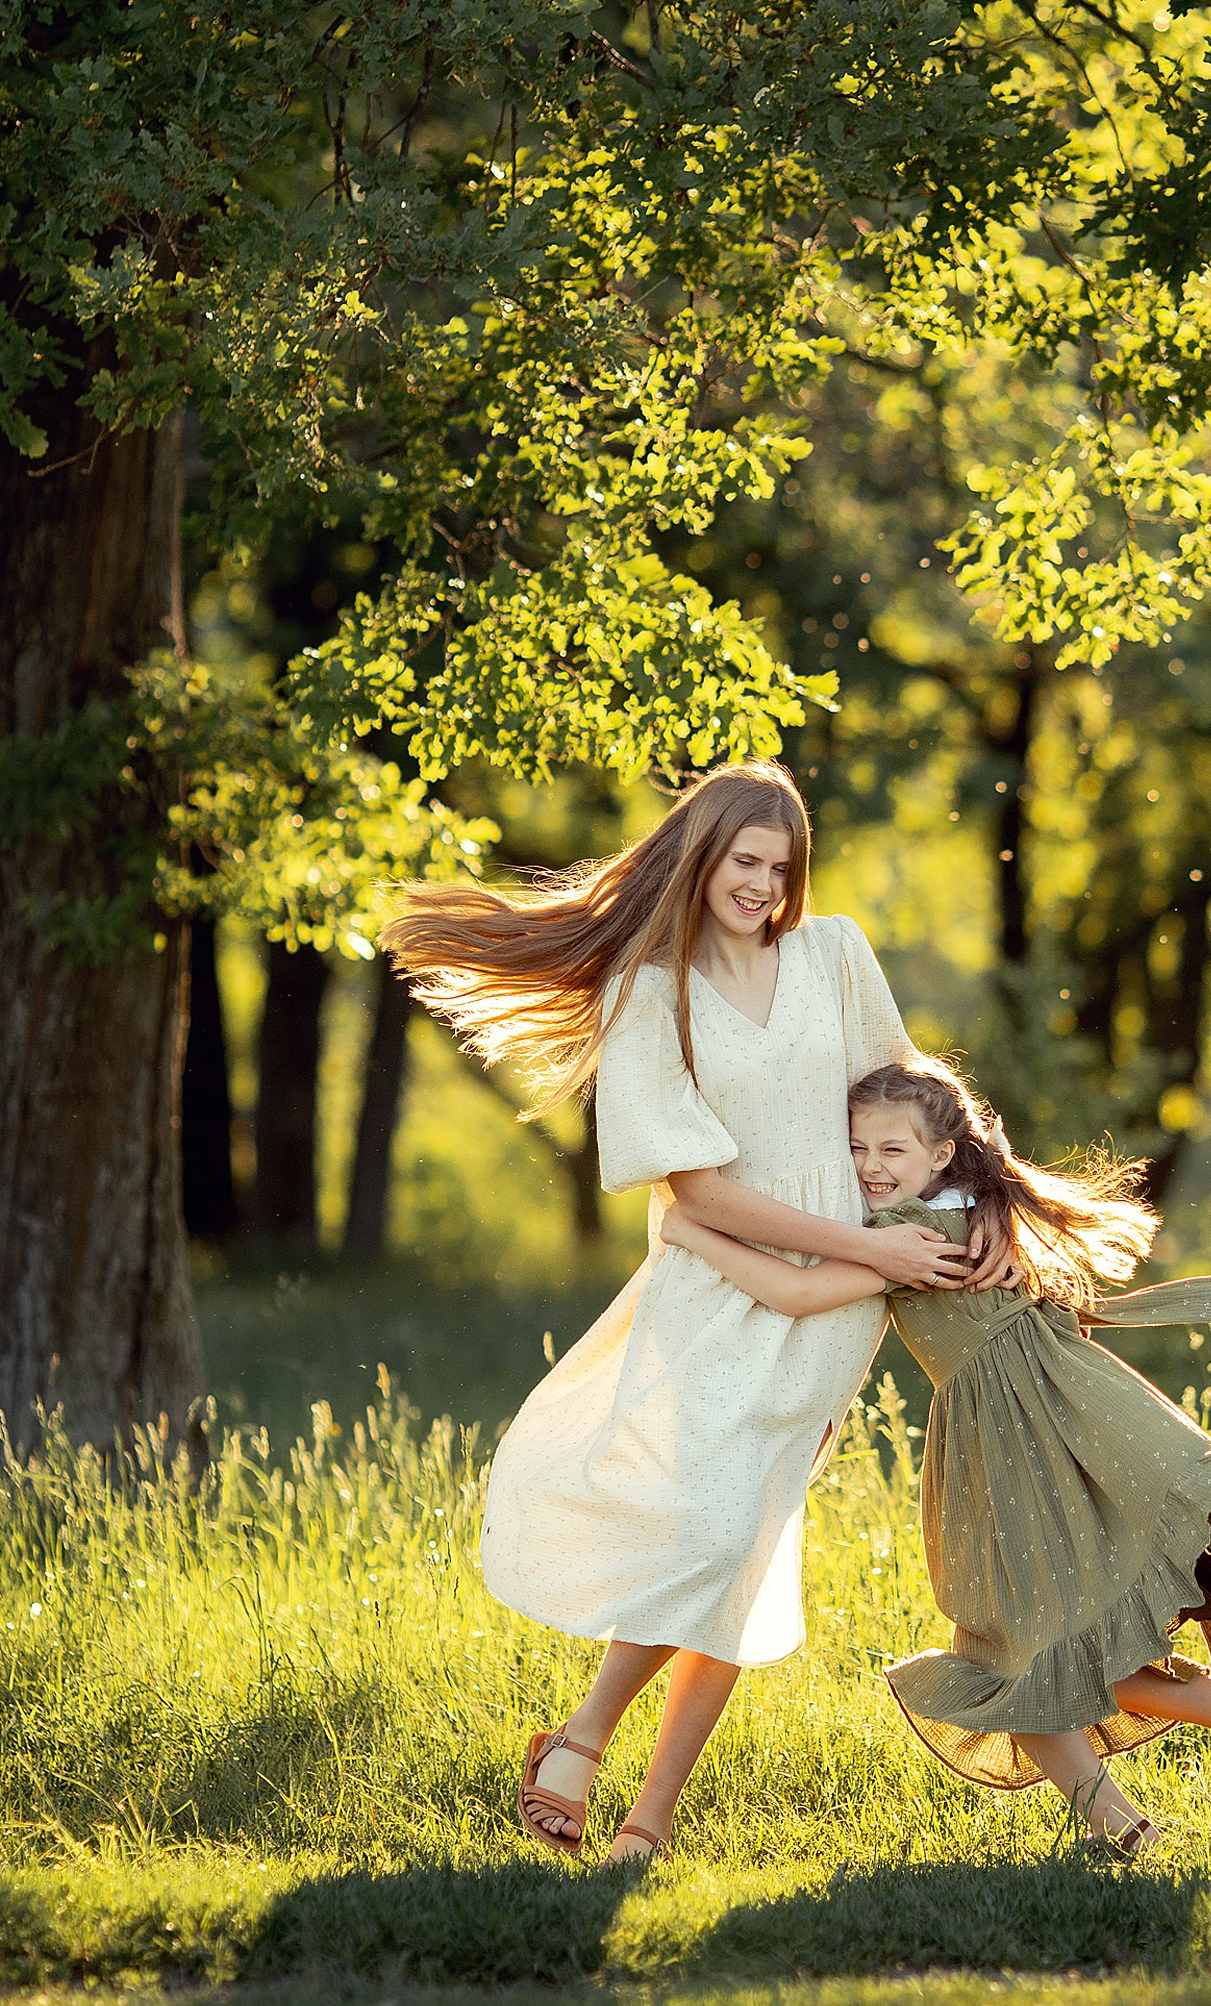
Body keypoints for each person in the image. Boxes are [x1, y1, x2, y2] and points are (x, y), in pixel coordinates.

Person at [383, 765, 1007, 1865]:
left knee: (742, 1536)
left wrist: (986, 1201)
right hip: (715, 1281)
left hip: (832, 1307)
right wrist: (867, 1243)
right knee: (707, 1533)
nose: (762, 885)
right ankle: (585, 1744)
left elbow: (914, 1101)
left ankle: (640, 1807)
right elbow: (694, 1192)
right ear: (700, 857)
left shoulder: (833, 954)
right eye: (743, 862)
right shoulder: (648, 991)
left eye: (780, 866)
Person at [659, 1055, 1211, 1854]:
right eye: (858, 1149)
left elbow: (797, 1293)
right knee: (1054, 1645)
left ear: (940, 1154)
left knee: (1017, 1656)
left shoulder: (908, 1236)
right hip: (1050, 1417)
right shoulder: (975, 1204)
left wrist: (690, 1226)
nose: (870, 1168)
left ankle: (1131, 1822)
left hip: (1022, 1438)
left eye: (891, 1151)